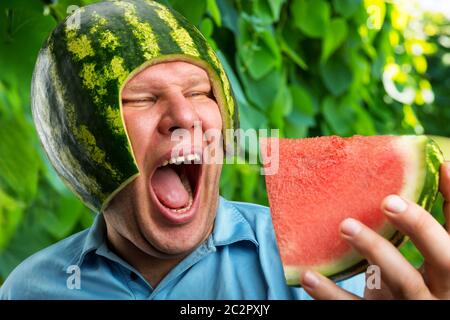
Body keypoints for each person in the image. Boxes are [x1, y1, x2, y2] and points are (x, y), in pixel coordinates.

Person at [1, 0, 450, 300]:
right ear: (82, 144)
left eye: (200, 92)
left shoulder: (317, 275)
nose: (185, 116)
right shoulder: (28, 290)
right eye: (140, 98)